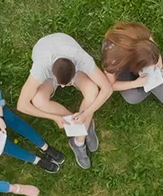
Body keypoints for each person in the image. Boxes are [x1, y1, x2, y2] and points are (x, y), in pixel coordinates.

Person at [17, 33, 114, 170]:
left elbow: (107, 89)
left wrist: (87, 113)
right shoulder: (41, 68)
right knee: (38, 100)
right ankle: (82, 125)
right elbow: (22, 105)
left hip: (67, 54)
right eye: (60, 84)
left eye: (67, 83)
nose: (63, 87)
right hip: (46, 55)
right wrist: (54, 117)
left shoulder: (81, 59)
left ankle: (79, 140)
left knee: (92, 89)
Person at [101, 22, 163, 140]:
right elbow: (110, 85)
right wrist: (134, 83)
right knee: (132, 97)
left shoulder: (139, 35)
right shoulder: (112, 59)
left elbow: (149, 41)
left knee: (151, 78)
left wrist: (158, 61)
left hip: (134, 56)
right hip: (121, 65)